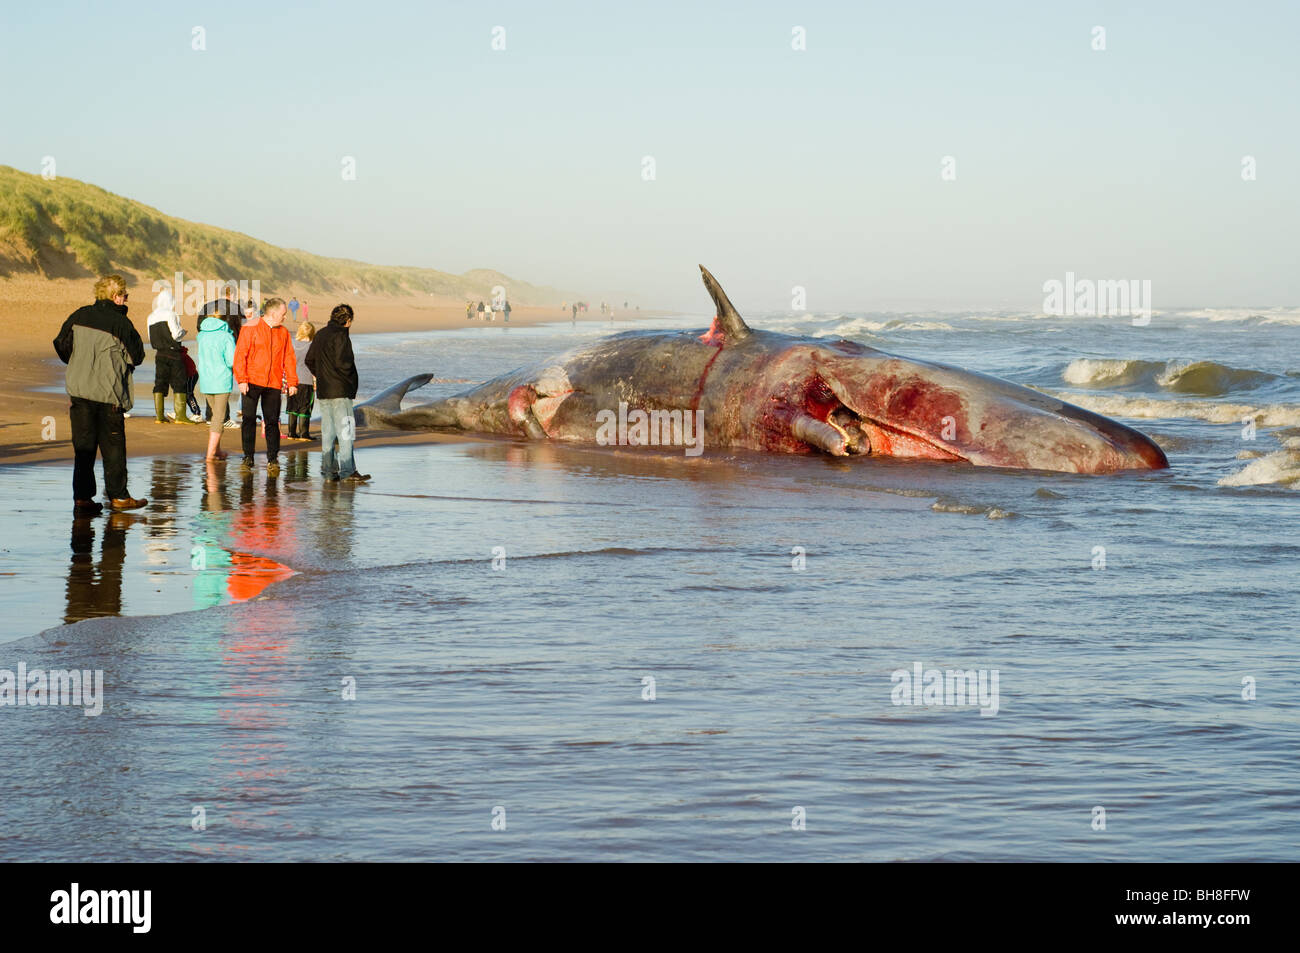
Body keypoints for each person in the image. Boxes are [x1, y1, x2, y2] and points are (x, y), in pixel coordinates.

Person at [53, 274, 148, 513]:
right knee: (113, 448)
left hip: (80, 392)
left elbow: (61, 345)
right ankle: (118, 497)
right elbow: (137, 355)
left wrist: (79, 364)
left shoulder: (79, 315)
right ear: (116, 297)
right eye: (125, 295)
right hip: (109, 395)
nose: (127, 299)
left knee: (84, 449)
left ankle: (82, 499)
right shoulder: (121, 323)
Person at [233, 297, 298, 474]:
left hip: (273, 383)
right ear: (273, 313)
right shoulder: (250, 328)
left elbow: (289, 358)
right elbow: (240, 355)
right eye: (283, 314)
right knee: (248, 419)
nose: (285, 317)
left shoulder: (283, 332)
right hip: (251, 381)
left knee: (272, 421)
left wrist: (292, 382)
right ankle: (248, 457)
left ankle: (273, 459)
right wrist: (242, 379)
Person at [306, 304, 370, 483]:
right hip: (341, 390)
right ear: (348, 321)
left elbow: (309, 360)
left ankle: (328, 471)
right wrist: (347, 380)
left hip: (325, 390)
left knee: (328, 432)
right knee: (346, 431)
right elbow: (345, 364)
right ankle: (348, 471)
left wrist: (321, 375)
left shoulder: (320, 334)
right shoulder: (341, 335)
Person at [147, 287, 200, 424]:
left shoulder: (151, 317)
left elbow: (149, 337)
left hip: (159, 354)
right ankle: (180, 416)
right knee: (179, 382)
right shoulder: (171, 314)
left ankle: (159, 417)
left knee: (160, 383)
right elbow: (176, 334)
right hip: (173, 353)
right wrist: (183, 332)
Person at [199, 286, 245, 425]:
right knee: (222, 382)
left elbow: (199, 325)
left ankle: (210, 415)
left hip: (206, 345)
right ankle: (222, 418)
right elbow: (239, 328)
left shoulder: (208, 306)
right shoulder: (235, 308)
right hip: (227, 344)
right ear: (232, 294)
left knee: (210, 380)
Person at [196, 306, 237, 461]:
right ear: (224, 320)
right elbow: (231, 361)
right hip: (221, 380)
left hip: (206, 381)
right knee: (219, 418)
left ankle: (217, 450)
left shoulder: (201, 335)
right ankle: (210, 454)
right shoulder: (226, 336)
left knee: (215, 416)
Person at [287, 321, 316, 440]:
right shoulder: (312, 345)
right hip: (307, 380)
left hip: (292, 380)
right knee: (305, 406)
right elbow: (314, 364)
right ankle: (304, 433)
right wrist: (316, 380)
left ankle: (291, 433)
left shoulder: (292, 343)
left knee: (293, 406)